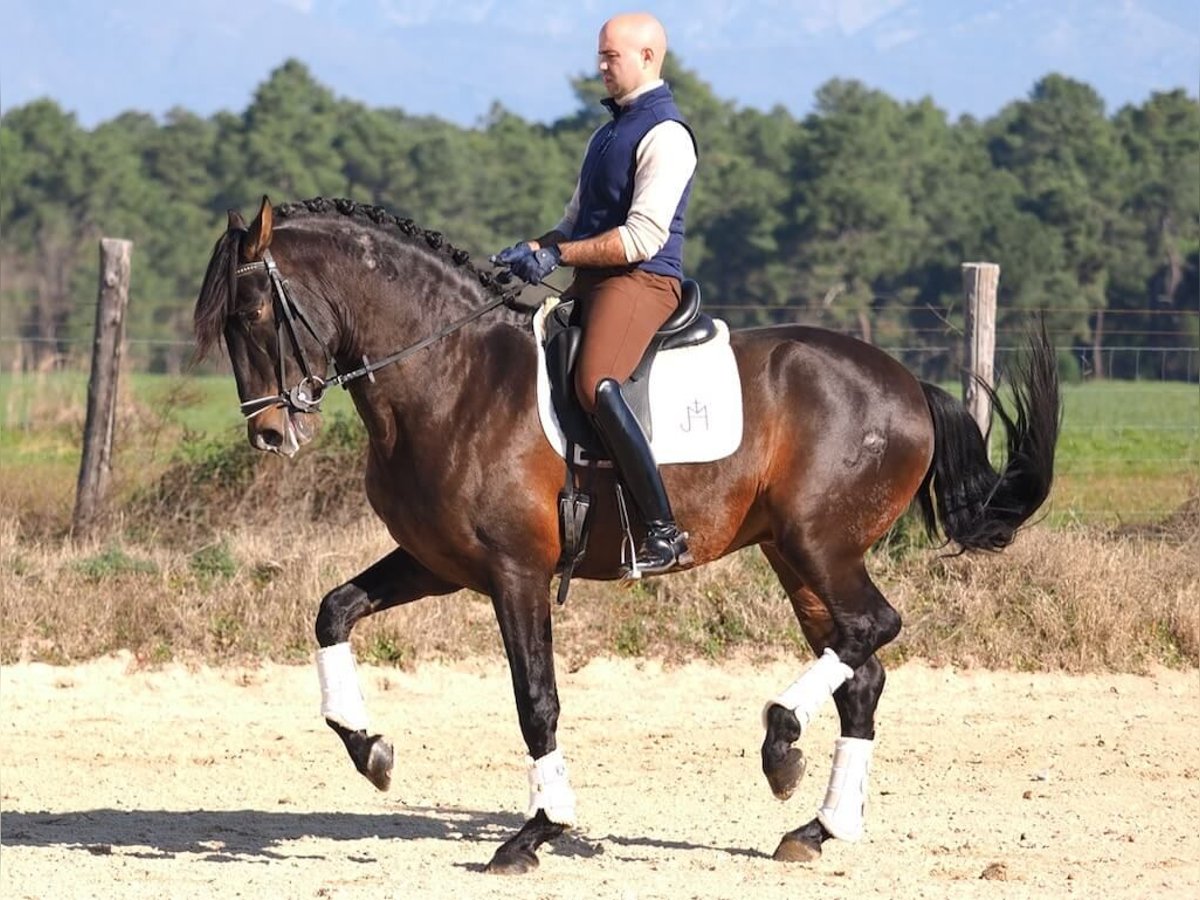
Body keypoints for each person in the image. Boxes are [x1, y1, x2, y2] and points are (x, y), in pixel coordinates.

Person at [494, 11, 698, 577]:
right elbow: (575, 222)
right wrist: (534, 246)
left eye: (612, 56)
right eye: (600, 56)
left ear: (648, 58)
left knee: (594, 382)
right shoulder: (606, 132)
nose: (601, 66)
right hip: (596, 279)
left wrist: (558, 255)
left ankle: (663, 530)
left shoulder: (667, 135)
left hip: (642, 280)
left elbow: (640, 237)